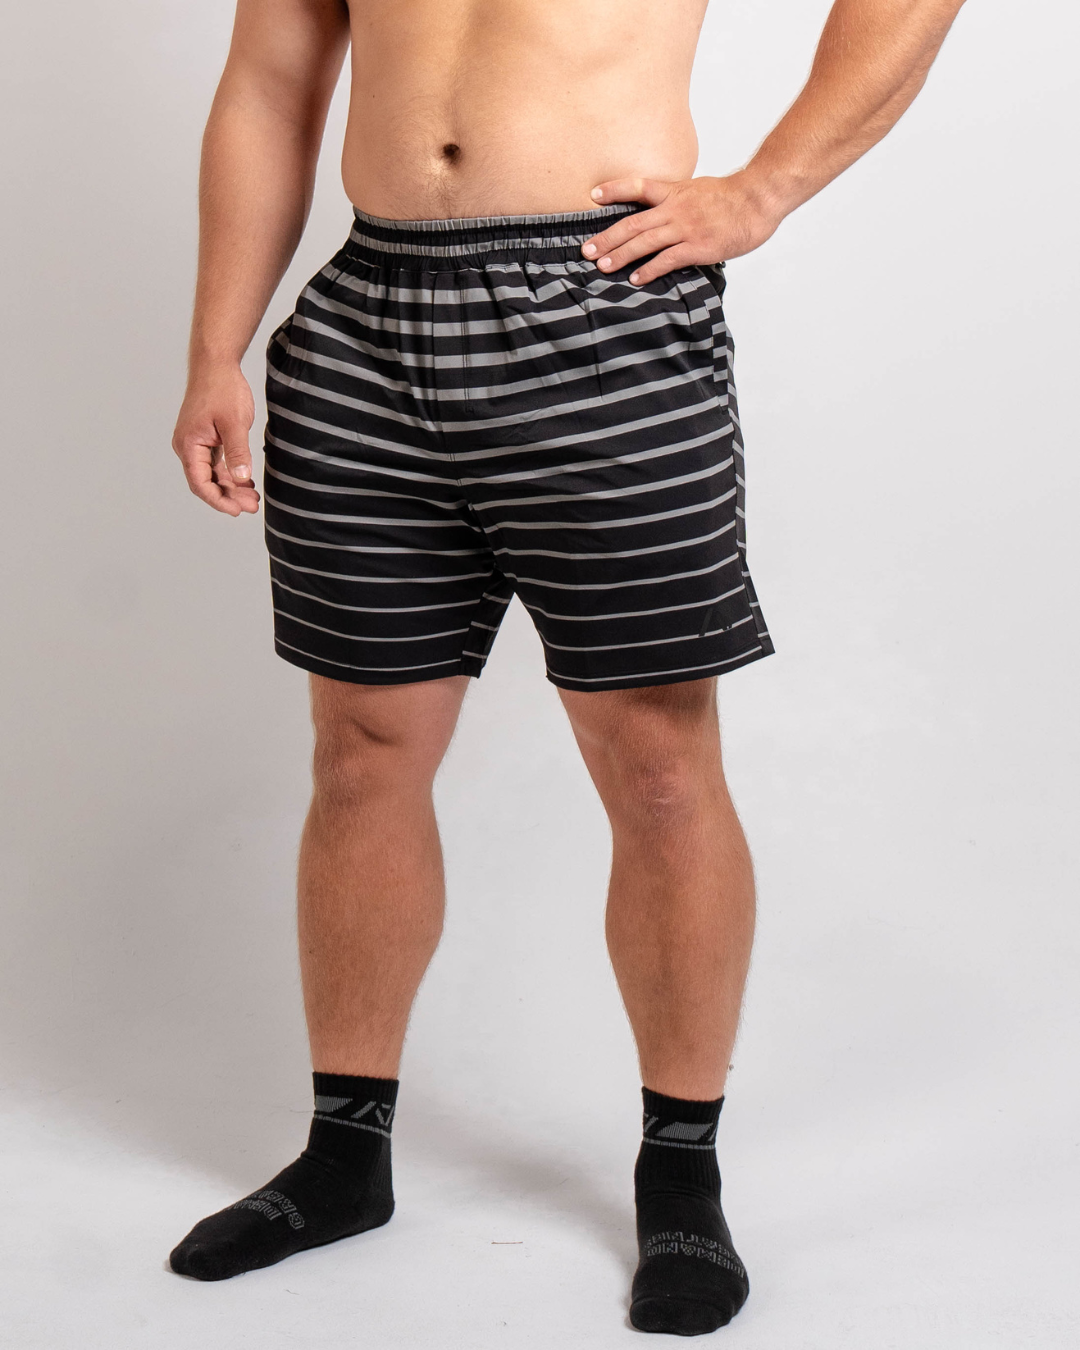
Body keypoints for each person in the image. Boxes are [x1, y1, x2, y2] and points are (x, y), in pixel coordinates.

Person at [168, 0, 966, 1334]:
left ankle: (680, 1177)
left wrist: (763, 189)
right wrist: (214, 347)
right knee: (361, 754)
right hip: (365, 316)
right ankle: (345, 1154)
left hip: (603, 305)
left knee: (657, 767)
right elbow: (269, 80)